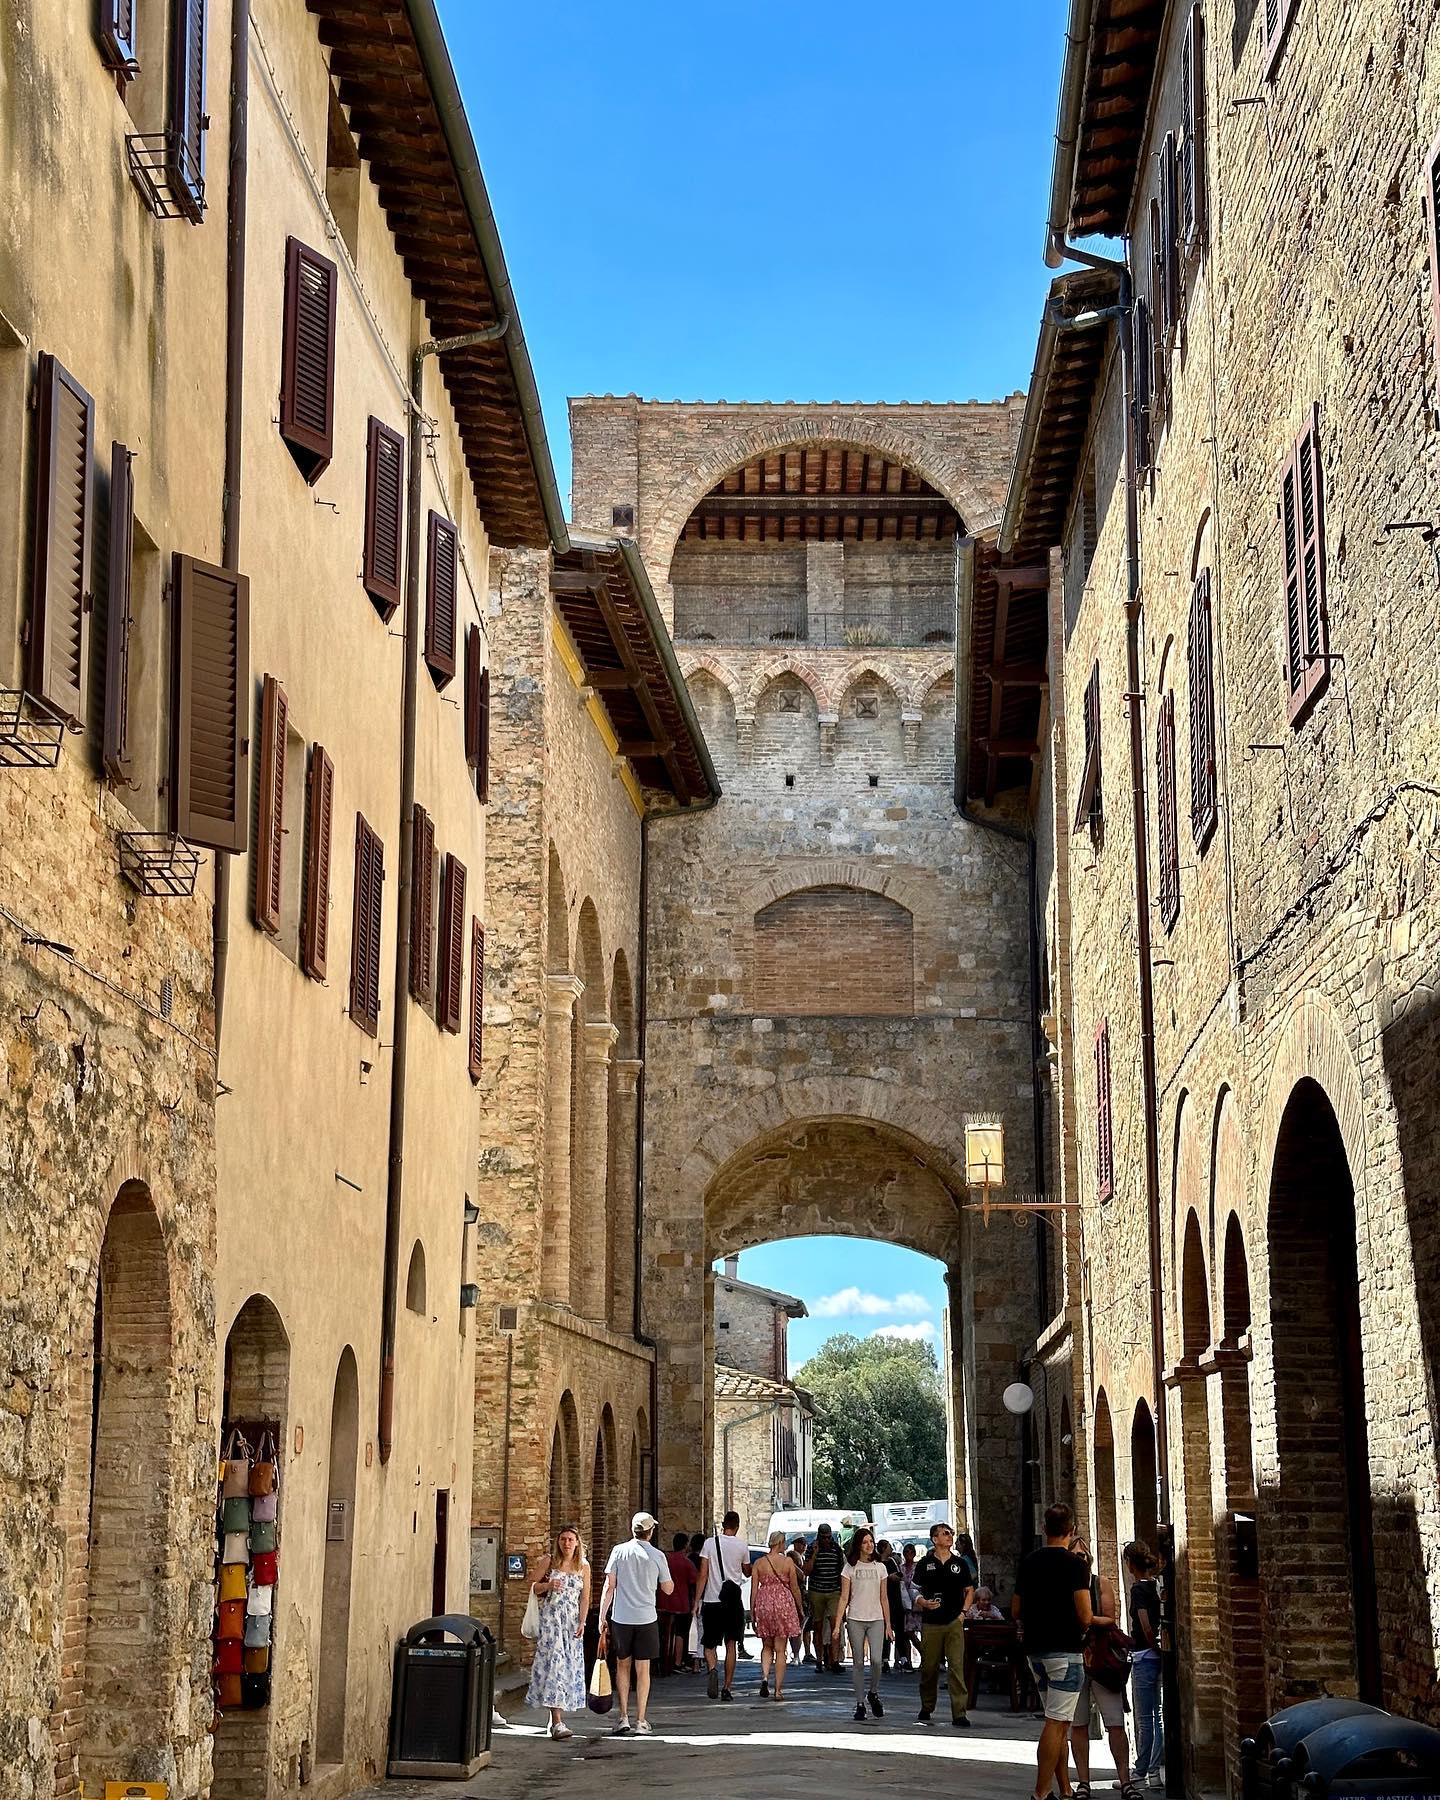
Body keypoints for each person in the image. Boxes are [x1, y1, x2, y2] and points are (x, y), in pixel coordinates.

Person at [1013, 1503, 1095, 1800]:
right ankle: (1040, 1791)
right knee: (1057, 1723)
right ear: (1071, 1530)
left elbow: (1016, 1608)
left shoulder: (1029, 1562)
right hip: (1065, 1649)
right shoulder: (1076, 1565)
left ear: (1044, 1529)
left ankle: (1064, 1789)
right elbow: (1085, 1615)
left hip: (1035, 1650)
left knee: (1057, 1721)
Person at [1066, 1535, 1137, 1800]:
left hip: (1101, 1658)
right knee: (1079, 1724)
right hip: (1073, 1659)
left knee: (1115, 1722)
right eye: (1074, 1556)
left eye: (1083, 1556)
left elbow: (1110, 1617)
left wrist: (1086, 1618)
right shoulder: (1060, 1586)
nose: (1079, 1560)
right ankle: (1083, 1782)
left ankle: (1125, 1780)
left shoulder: (1100, 1583)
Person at [596, 1511, 674, 1737]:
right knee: (643, 1670)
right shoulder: (658, 1556)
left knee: (622, 1666)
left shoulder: (618, 1552)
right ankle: (641, 1719)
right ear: (651, 1532)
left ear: (633, 1530)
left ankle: (623, 1717)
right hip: (646, 1618)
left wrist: (603, 1617)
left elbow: (609, 1586)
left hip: (621, 1618)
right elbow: (668, 1588)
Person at [524, 1524, 591, 1740]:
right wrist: (548, 1586)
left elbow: (585, 1597)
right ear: (558, 1541)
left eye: (571, 1539)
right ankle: (557, 1722)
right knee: (555, 1665)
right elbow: (531, 1585)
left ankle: (554, 1718)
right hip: (552, 1621)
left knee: (567, 1668)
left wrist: (583, 1621)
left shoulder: (583, 1566)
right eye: (563, 1539)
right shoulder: (549, 1562)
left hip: (571, 1624)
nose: (567, 1543)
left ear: (577, 1542)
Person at [914, 1520, 975, 1727]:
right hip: (931, 1622)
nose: (949, 1536)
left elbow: (969, 1590)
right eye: (944, 1533)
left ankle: (959, 1712)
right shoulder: (924, 1564)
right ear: (935, 1539)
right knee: (929, 1667)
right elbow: (913, 1588)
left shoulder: (960, 1564)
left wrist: (963, 1613)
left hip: (953, 1621)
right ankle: (927, 1705)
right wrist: (921, 1601)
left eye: (950, 1533)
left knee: (956, 1667)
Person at [833, 1527, 892, 1721]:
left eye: (871, 1541)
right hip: (856, 1618)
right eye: (865, 1542)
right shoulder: (850, 1567)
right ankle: (859, 1703)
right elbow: (844, 1597)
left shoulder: (880, 1567)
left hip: (876, 1618)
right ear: (858, 1545)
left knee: (876, 1660)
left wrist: (889, 1625)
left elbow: (884, 1598)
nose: (869, 1545)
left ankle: (873, 1692)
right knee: (858, 1662)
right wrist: (837, 1624)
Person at [695, 1511, 750, 1701]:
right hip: (733, 1602)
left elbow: (703, 1574)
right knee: (731, 1644)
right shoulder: (742, 1545)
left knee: (709, 1644)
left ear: (723, 1524)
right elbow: (747, 1571)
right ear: (737, 1525)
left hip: (712, 1600)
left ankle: (712, 1669)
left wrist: (696, 1600)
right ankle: (727, 1687)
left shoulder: (709, 1543)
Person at [1126, 1541, 1164, 1791]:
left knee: (1144, 1717)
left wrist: (1151, 1645)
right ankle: (1155, 1771)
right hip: (1155, 1657)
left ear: (1130, 1563)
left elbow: (1144, 1623)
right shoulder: (1156, 1586)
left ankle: (1141, 1770)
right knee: (1158, 1716)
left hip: (1143, 1656)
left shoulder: (1139, 1590)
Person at [750, 1530, 804, 1699]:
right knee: (781, 1649)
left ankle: (765, 1677)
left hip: (764, 1602)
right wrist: (800, 1608)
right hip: (783, 1604)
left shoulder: (759, 1563)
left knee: (766, 1645)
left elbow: (753, 1590)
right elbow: (795, 1587)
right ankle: (778, 1690)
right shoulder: (788, 1562)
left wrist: (753, 1611)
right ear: (780, 1544)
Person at [804, 1522, 845, 1671]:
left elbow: (842, 1571)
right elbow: (806, 1571)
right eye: (824, 1537)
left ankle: (834, 1660)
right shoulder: (811, 1548)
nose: (827, 1540)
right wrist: (814, 1553)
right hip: (817, 1591)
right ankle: (819, 1660)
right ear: (819, 1536)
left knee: (835, 1625)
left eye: (829, 1537)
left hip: (833, 1591)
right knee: (818, 1626)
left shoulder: (836, 1549)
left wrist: (843, 1594)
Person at [660, 1529, 697, 1675]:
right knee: (681, 1633)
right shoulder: (686, 1562)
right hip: (681, 1603)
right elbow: (694, 1581)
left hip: (664, 1601)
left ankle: (664, 1660)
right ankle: (677, 1662)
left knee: (665, 1632)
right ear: (685, 1545)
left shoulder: (666, 1560)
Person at [877, 1540, 903, 1669]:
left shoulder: (892, 1561)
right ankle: (885, 1658)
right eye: (889, 1546)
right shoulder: (877, 1563)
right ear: (883, 1548)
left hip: (895, 1598)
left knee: (899, 1628)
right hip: (884, 1598)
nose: (891, 1549)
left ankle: (901, 1657)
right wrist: (888, 1577)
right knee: (884, 1630)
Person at [897, 1544, 922, 1668]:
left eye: (911, 1551)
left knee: (919, 1630)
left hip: (916, 1601)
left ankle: (925, 1656)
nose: (908, 1554)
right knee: (908, 1632)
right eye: (906, 1551)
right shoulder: (900, 1568)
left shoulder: (918, 1568)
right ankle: (909, 1661)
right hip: (905, 1603)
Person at [787, 1536, 811, 1664]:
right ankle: (795, 1653)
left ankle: (797, 1653)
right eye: (801, 1543)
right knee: (797, 1628)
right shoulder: (791, 1557)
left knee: (800, 1628)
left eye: (805, 1543)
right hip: (797, 1595)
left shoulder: (802, 1558)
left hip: (801, 1595)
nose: (804, 1545)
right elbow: (801, 1576)